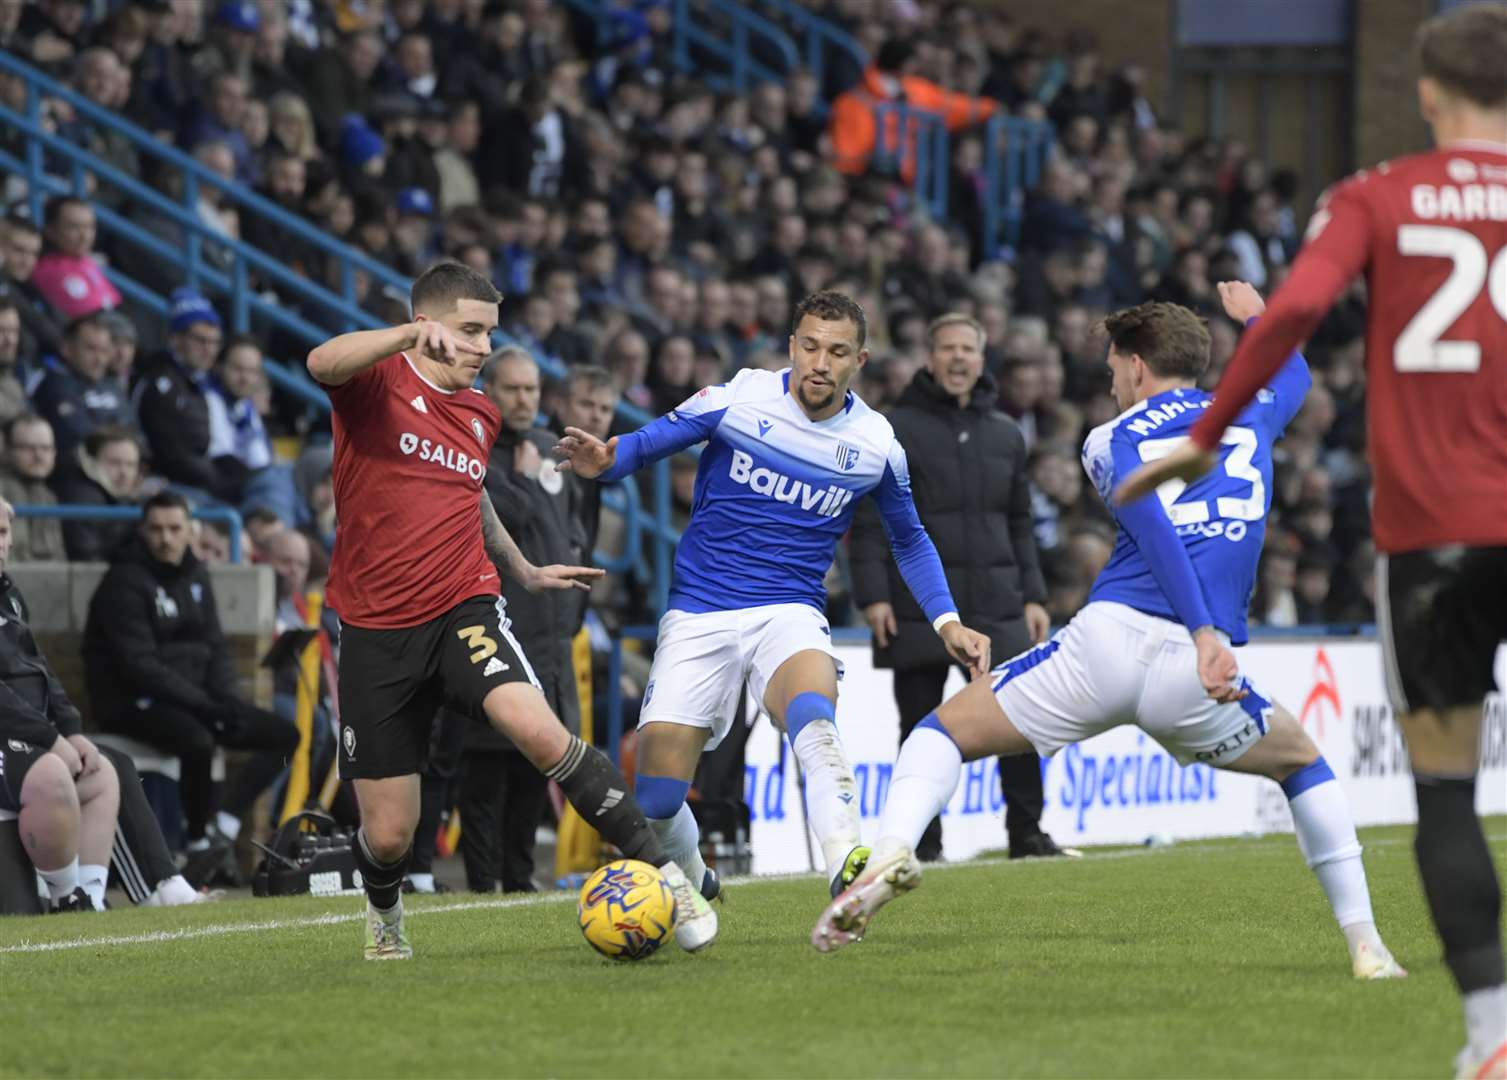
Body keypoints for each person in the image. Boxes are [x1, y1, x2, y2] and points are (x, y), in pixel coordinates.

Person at [1114, 10, 1507, 1075]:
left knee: (1442, 791)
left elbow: (1287, 321)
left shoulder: (1373, 196)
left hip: (1434, 537)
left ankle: (1488, 1041)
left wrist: (1202, 438)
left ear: (1426, 94)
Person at [815, 288, 1406, 988]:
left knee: (936, 735)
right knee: (1303, 766)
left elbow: (1155, 533)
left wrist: (1199, 629)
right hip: (1195, 672)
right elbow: (1295, 374)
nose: (1110, 381)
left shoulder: (1108, 438)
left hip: (1110, 644)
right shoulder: (1248, 415)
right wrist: (1257, 316)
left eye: (1111, 368)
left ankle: (889, 853)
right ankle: (1366, 944)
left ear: (1134, 365)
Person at [304, 260, 716, 960]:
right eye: (470, 332)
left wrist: (519, 567)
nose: (483, 348)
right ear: (428, 324)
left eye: (490, 333)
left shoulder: (479, 413)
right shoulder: (376, 384)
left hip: (464, 606)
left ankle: (673, 880)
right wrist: (406, 335)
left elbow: (470, 491)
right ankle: (384, 915)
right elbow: (321, 360)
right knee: (389, 835)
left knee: (540, 733)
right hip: (375, 629)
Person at [555, 289, 992, 910]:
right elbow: (649, 442)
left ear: (859, 361)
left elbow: (910, 538)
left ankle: (849, 862)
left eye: (837, 352)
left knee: (812, 711)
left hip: (789, 611)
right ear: (792, 346)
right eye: (809, 345)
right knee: (654, 801)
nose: (820, 362)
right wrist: (607, 458)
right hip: (701, 611)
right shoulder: (738, 398)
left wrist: (947, 620)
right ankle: (694, 873)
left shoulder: (875, 444)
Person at [849, 313, 1068, 862]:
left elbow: (1020, 521)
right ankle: (921, 844)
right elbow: (871, 518)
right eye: (947, 348)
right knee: (920, 727)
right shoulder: (894, 426)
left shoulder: (1005, 433)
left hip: (999, 604)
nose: (957, 358)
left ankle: (1027, 833)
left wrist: (1034, 596)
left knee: (1020, 718)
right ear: (929, 357)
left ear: (981, 356)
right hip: (920, 604)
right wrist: (873, 594)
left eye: (967, 349)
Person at [81, 491, 299, 881]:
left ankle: (225, 825)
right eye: (156, 529)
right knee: (197, 741)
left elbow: (214, 645)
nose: (165, 538)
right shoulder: (124, 581)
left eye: (174, 529)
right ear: (142, 532)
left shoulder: (195, 574)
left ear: (189, 532)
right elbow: (139, 666)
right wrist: (206, 706)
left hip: (198, 702)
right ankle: (197, 843)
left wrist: (227, 700)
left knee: (284, 735)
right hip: (133, 703)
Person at [0, 497, 120, 912]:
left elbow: (41, 669)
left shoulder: (9, 596)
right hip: (13, 739)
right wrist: (51, 740)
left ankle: (91, 898)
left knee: (101, 771)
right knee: (51, 774)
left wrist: (71, 730)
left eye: (1, 533)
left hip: (25, 737)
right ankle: (66, 896)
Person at [31, 312, 136, 460]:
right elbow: (77, 436)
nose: (99, 359)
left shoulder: (112, 386)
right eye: (91, 349)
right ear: (66, 348)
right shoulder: (54, 384)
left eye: (104, 351)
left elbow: (135, 431)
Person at [54, 424, 143, 561]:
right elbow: (87, 558)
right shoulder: (83, 499)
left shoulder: (128, 500)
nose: (124, 472)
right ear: (91, 462)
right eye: (114, 463)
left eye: (130, 464)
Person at [0, 413, 65, 562]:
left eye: (46, 448)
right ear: (7, 451)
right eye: (28, 448)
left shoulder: (49, 496)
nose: (39, 455)